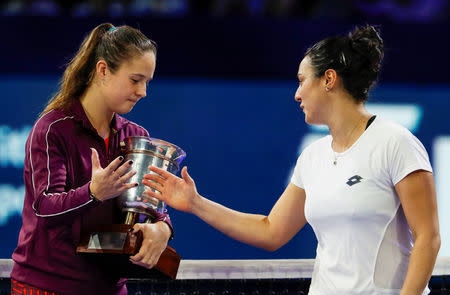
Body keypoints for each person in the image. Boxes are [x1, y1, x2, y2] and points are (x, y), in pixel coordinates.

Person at [142, 25, 440, 295]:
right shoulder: (312, 158)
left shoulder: (395, 143)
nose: (297, 95)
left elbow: (428, 237)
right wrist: (195, 203)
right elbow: (271, 231)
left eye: (301, 81)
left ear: (329, 79)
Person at [11, 23, 173, 295]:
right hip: (46, 286)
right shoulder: (53, 129)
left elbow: (151, 209)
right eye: (135, 80)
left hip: (109, 289)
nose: (143, 91)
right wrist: (93, 192)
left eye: (147, 82)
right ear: (102, 71)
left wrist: (163, 229)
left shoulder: (137, 137)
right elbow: (43, 208)